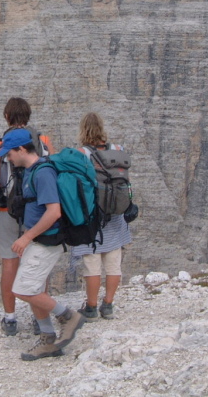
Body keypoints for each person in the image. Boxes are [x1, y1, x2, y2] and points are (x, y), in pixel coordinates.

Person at [0, 128, 85, 361]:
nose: (8, 158)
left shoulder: (42, 173)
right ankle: (48, 339)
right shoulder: (30, 171)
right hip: (36, 240)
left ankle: (68, 316)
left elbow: (53, 212)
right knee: (34, 289)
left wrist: (26, 237)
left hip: (46, 241)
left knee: (23, 289)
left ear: (22, 149)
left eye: (10, 153)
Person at [0, 97, 54, 336]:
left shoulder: (0, 145)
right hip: (36, 211)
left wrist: (9, 193)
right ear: (29, 116)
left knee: (9, 262)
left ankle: (10, 318)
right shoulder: (42, 141)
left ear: (6, 117)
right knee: (36, 263)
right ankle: (39, 318)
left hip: (8, 212)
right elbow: (51, 171)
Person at [72, 112, 132, 321]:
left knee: (92, 265)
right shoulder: (118, 150)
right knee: (114, 263)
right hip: (116, 214)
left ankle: (90, 307)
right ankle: (108, 305)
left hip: (92, 217)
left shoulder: (81, 154)